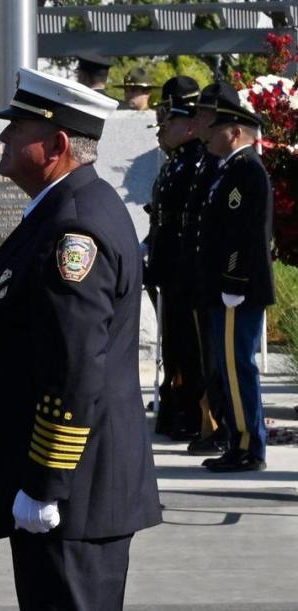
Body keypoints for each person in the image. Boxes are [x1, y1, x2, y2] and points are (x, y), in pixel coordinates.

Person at [0, 67, 161, 610]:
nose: (3, 138)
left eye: (17, 127)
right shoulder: (63, 211)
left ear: (57, 144)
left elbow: (75, 369)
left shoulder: (74, 229)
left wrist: (46, 482)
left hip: (73, 495)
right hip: (77, 489)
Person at [199, 82, 275, 472]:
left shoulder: (246, 170)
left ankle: (248, 446)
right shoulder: (228, 170)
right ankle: (240, 440)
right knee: (230, 367)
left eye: (216, 129)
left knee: (236, 366)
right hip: (227, 288)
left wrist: (233, 282)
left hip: (237, 290)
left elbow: (241, 235)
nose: (209, 135)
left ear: (235, 133)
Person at [147, 76, 204, 441]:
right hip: (167, 263)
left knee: (188, 343)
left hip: (185, 266)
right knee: (173, 340)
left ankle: (190, 409)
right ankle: (176, 402)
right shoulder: (175, 162)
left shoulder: (196, 162)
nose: (162, 130)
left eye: (169, 124)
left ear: (188, 125)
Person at [178, 83, 228, 456]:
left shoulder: (222, 165)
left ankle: (223, 427)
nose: (197, 121)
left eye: (203, 114)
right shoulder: (207, 162)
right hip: (198, 274)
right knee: (203, 354)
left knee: (219, 358)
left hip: (217, 278)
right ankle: (211, 423)